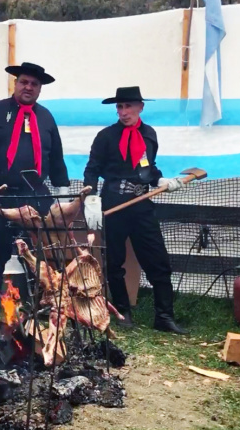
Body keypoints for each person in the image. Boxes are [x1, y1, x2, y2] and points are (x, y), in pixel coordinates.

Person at [0, 62, 70, 311]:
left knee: (38, 248)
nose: (28, 87)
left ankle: (37, 299)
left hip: (35, 193)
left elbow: (56, 156)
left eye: (34, 84)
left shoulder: (46, 116)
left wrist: (62, 189)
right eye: (24, 82)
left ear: (40, 89)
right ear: (15, 83)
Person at [82, 86, 186, 334]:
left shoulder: (149, 134)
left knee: (158, 260)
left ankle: (164, 316)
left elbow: (148, 168)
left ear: (141, 107)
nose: (123, 111)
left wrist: (161, 181)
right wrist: (91, 198)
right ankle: (122, 311)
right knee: (115, 261)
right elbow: (92, 169)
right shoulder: (105, 136)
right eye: (120, 106)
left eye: (128, 106)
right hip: (114, 205)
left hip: (141, 206)